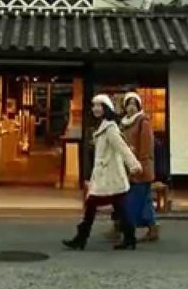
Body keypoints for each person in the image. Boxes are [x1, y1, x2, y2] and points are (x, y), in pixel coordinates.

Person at [62, 94, 142, 251]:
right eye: (94, 106)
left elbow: (123, 149)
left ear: (106, 109)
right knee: (117, 208)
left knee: (93, 206)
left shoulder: (110, 129)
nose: (95, 109)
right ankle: (129, 238)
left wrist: (134, 165)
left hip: (109, 177)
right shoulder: (103, 126)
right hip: (108, 178)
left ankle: (81, 238)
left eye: (99, 106)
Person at [121, 92, 159, 242]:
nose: (131, 108)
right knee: (144, 199)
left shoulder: (143, 122)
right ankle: (152, 227)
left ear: (138, 106)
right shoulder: (124, 123)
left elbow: (146, 146)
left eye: (134, 104)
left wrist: (139, 164)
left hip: (140, 167)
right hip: (129, 166)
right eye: (128, 104)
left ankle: (128, 228)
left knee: (135, 199)